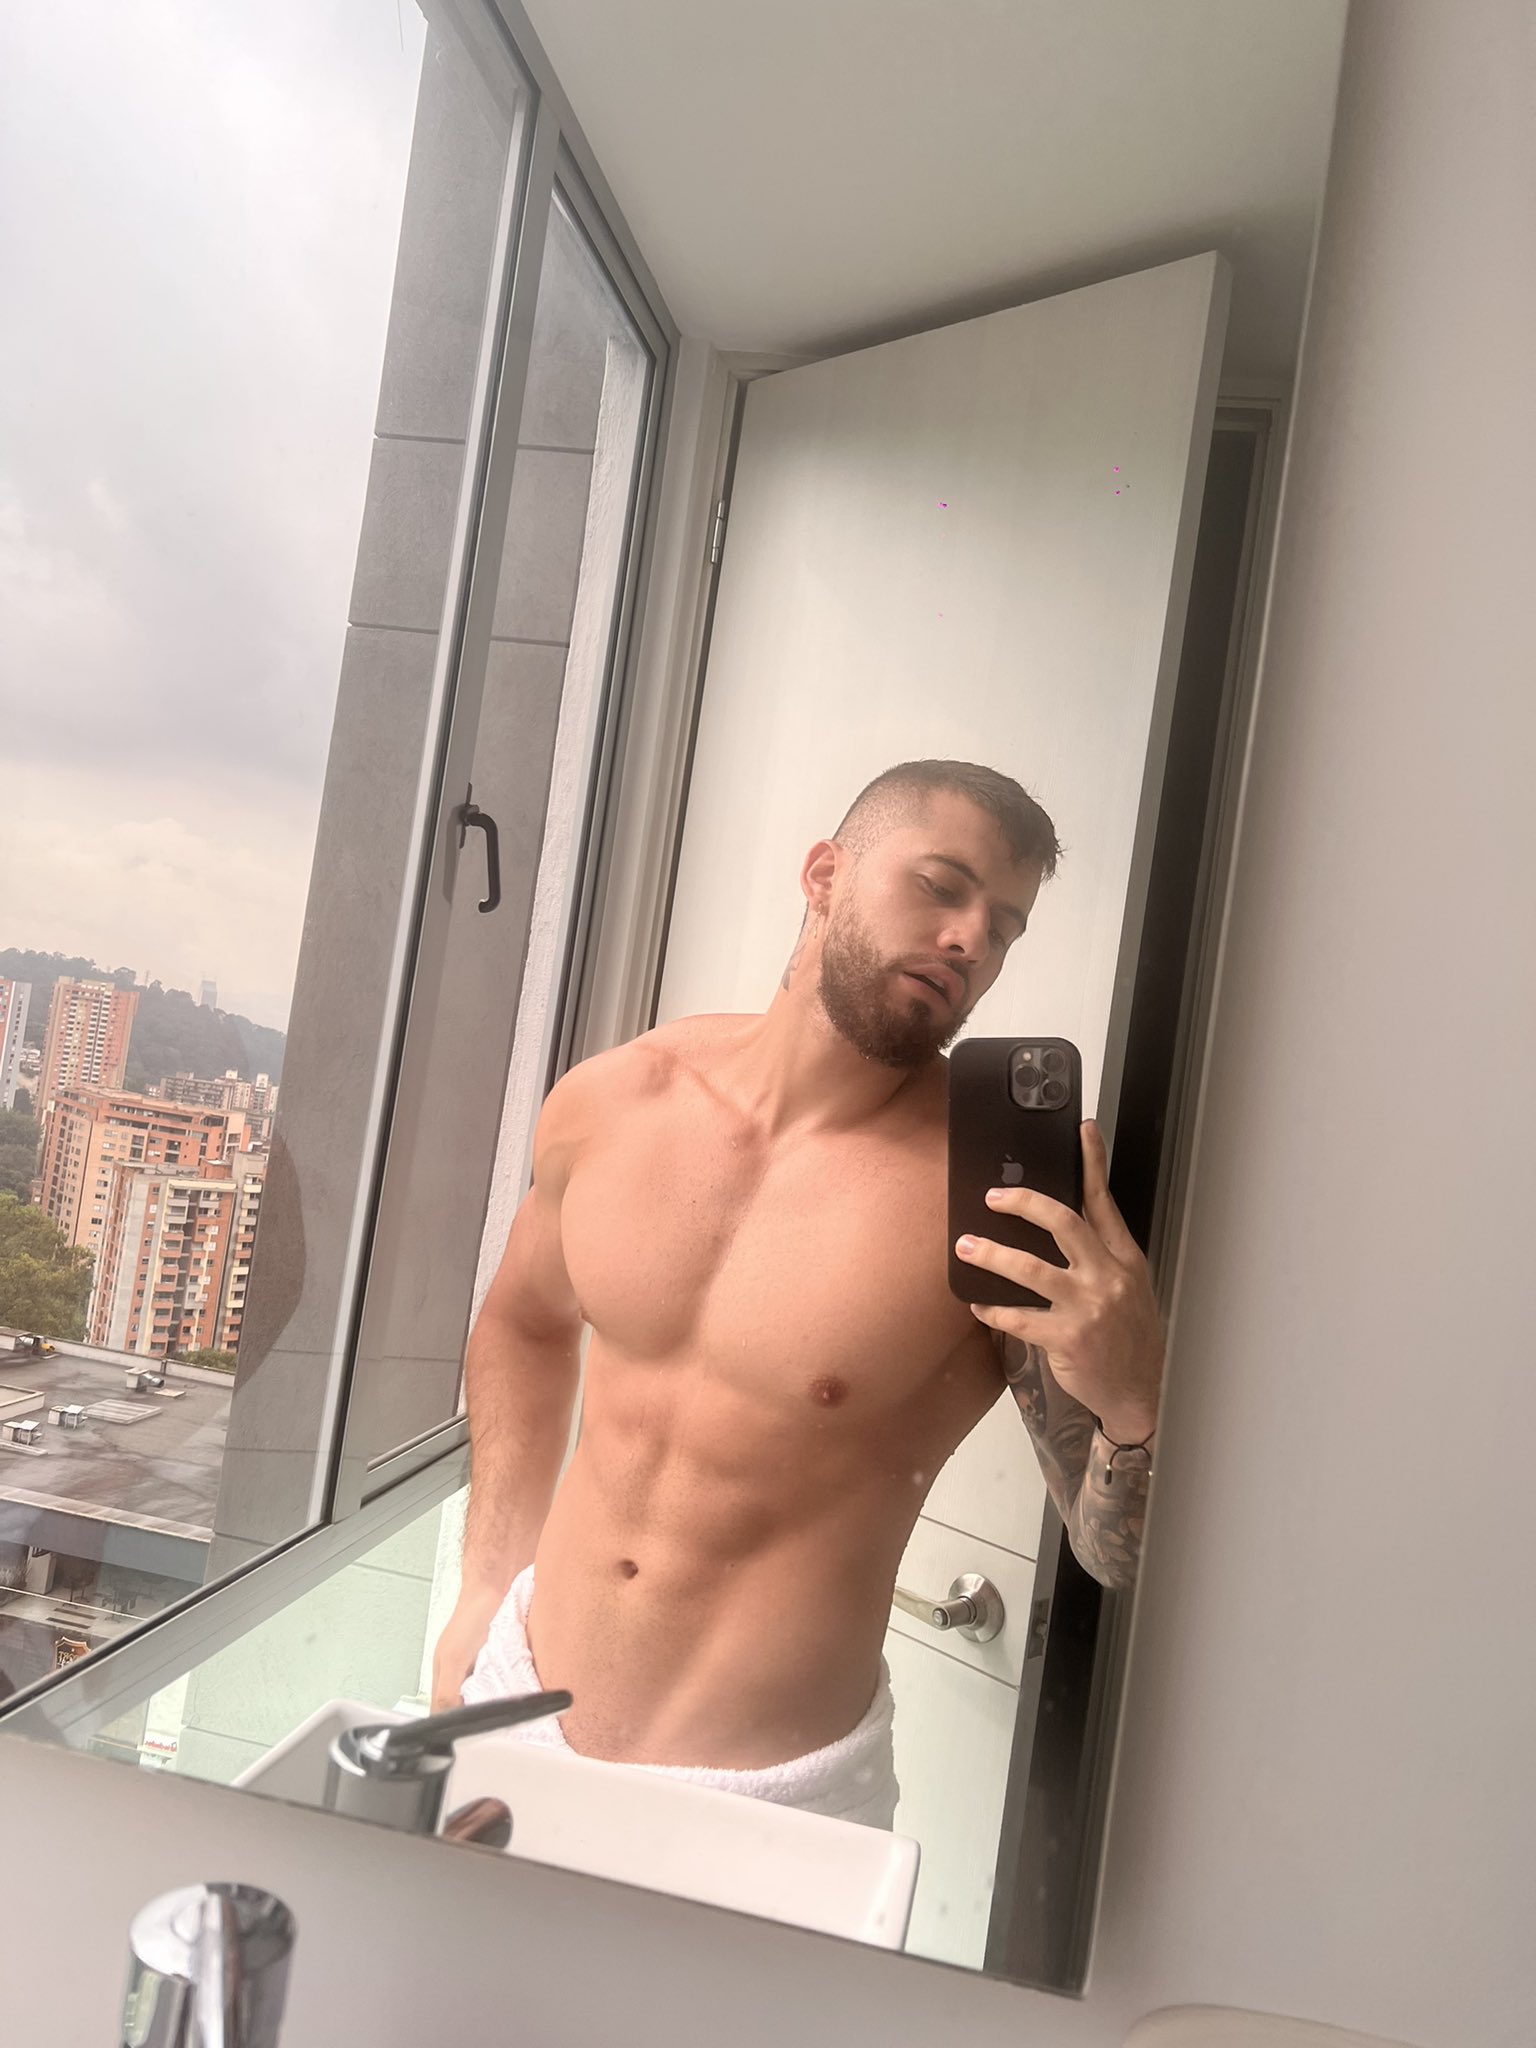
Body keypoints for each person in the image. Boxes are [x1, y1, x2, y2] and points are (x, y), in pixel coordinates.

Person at [432, 760, 1165, 1826]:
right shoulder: (618, 1099)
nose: (970, 939)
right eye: (942, 887)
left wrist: (1137, 1400)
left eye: (1003, 927)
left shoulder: (994, 1201)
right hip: (517, 1699)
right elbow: (525, 1324)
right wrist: (484, 1582)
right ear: (826, 875)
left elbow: (1111, 1552)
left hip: (776, 1800)